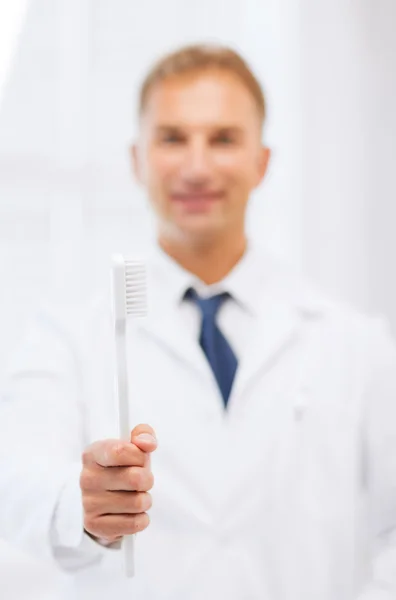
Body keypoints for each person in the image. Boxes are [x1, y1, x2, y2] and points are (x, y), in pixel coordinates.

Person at [0, 43, 396, 600]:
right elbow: (14, 477)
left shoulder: (355, 342)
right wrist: (81, 503)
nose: (196, 166)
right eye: (172, 138)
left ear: (262, 161)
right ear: (137, 158)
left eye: (224, 139)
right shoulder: (67, 334)